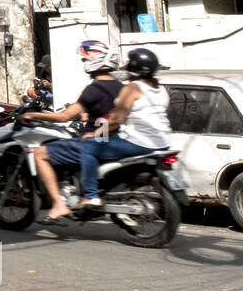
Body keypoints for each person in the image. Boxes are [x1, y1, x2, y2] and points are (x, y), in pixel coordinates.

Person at [19, 41, 122, 224]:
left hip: (93, 142)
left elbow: (64, 117)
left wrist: (33, 114)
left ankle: (59, 204)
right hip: (114, 141)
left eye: (85, 59)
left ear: (95, 61)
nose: (84, 63)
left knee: (40, 153)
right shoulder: (121, 86)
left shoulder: (94, 89)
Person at [78, 47, 172, 206]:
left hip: (139, 144)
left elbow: (116, 120)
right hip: (163, 143)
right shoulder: (160, 89)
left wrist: (94, 135)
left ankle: (91, 196)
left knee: (89, 147)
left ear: (134, 70)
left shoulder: (132, 88)